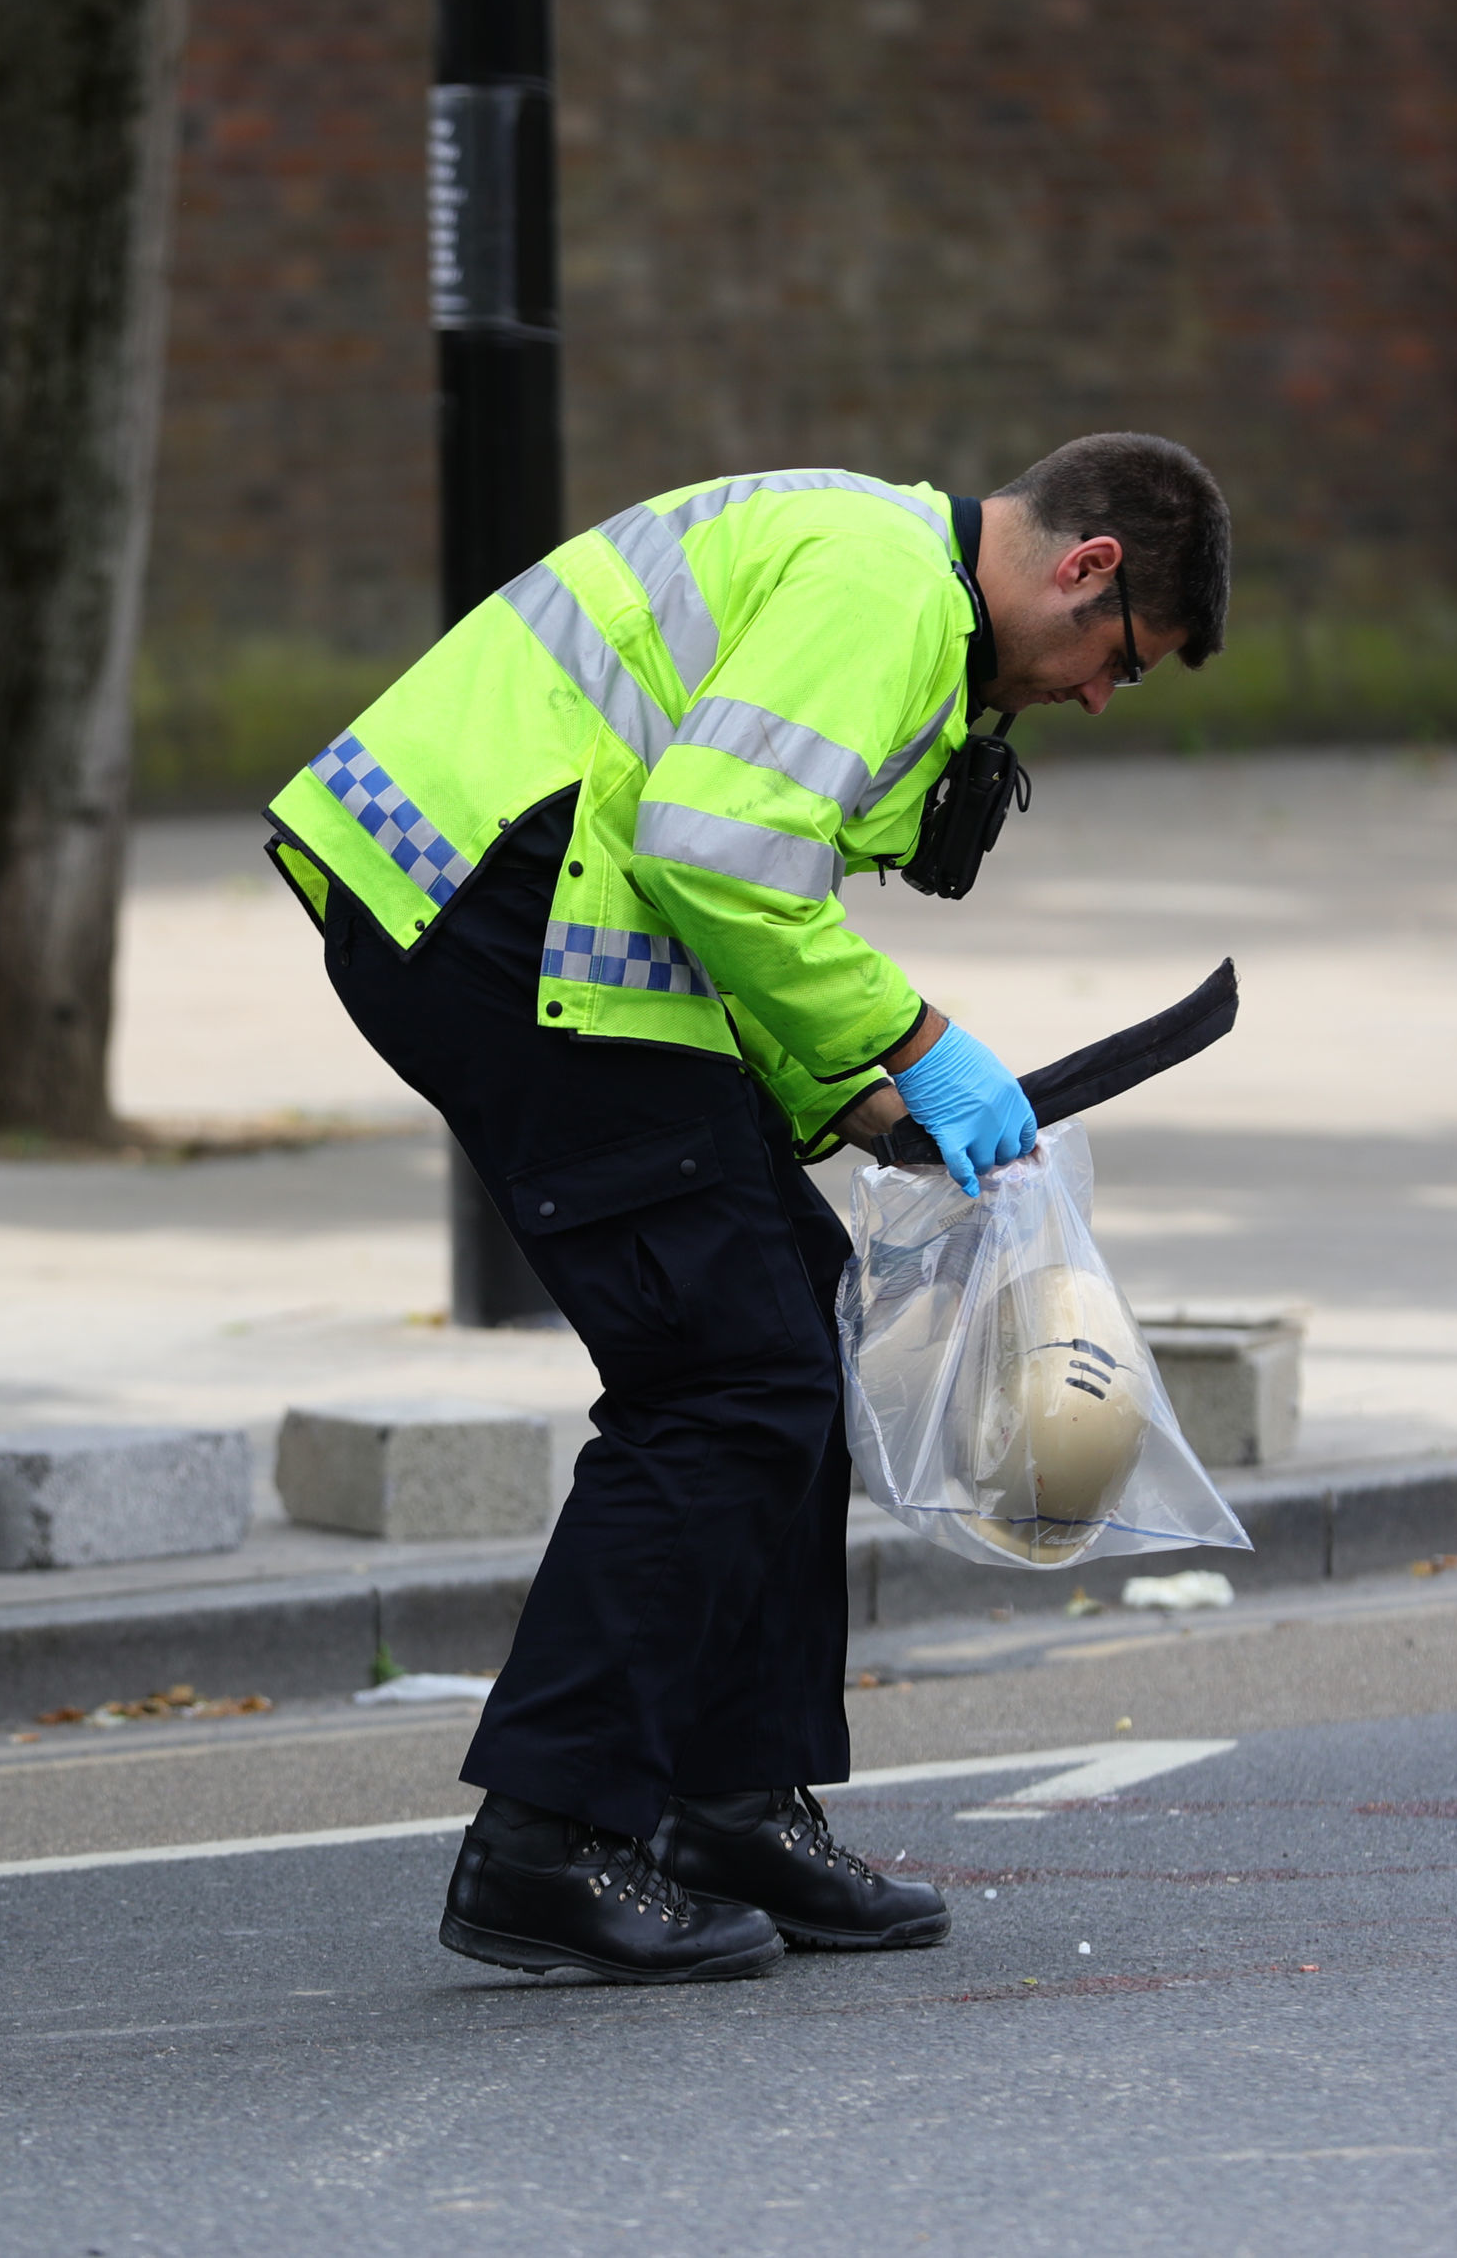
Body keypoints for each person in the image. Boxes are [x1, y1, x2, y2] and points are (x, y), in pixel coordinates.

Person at [265, 434, 1233, 1982]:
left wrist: (847, 1097)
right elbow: (711, 852)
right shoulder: (884, 591)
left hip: (528, 895)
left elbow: (731, 885)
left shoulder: (894, 588)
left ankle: (726, 1803)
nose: (1103, 697)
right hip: (488, 899)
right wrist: (915, 1041)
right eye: (1121, 659)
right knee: (726, 1372)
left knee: (787, 1297)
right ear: (1087, 566)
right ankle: (544, 1841)